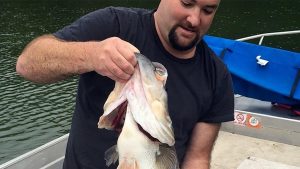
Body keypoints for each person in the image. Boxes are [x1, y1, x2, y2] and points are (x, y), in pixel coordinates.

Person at [16, 0, 234, 168]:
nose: (194, 19)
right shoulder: (114, 24)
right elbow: (27, 64)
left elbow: (197, 159)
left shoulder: (217, 76)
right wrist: (92, 54)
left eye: (208, 10)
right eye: (187, 3)